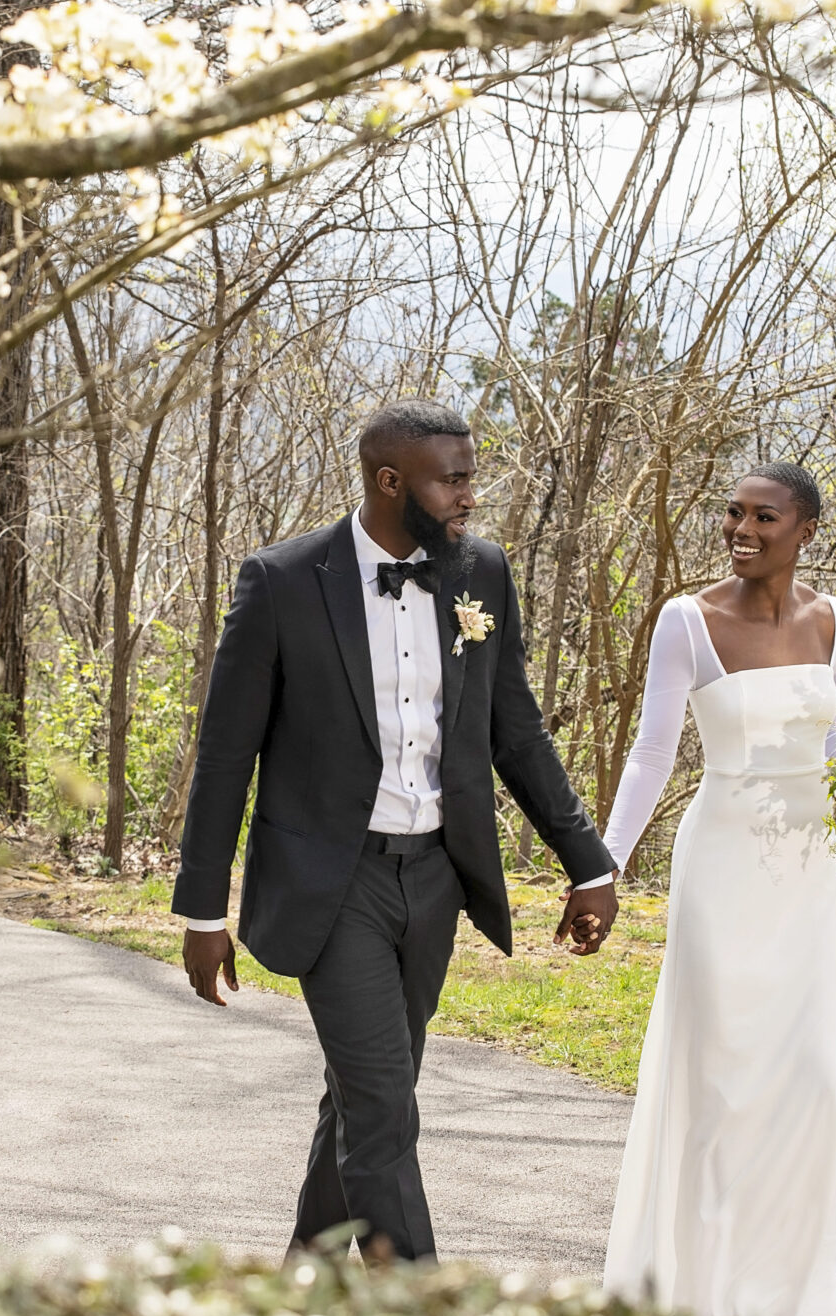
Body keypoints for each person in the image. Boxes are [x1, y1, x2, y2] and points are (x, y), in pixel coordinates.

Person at [173, 398, 620, 1265]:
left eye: (470, 477)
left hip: (437, 877)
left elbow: (514, 729)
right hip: (332, 884)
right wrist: (201, 907)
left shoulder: (481, 572)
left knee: (365, 1095)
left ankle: (304, 1270)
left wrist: (586, 857)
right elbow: (226, 755)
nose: (469, 495)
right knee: (382, 1106)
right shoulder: (282, 580)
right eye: (451, 479)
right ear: (389, 481)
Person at [597, 460, 836, 1316]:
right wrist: (605, 866)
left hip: (808, 876)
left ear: (807, 529)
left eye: (764, 516)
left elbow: (827, 744)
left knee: (825, 1083)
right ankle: (700, 1302)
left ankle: (796, 1304)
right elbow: (650, 754)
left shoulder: (833, 619)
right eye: (733, 513)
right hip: (721, 867)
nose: (742, 528)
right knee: (721, 1086)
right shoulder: (687, 620)